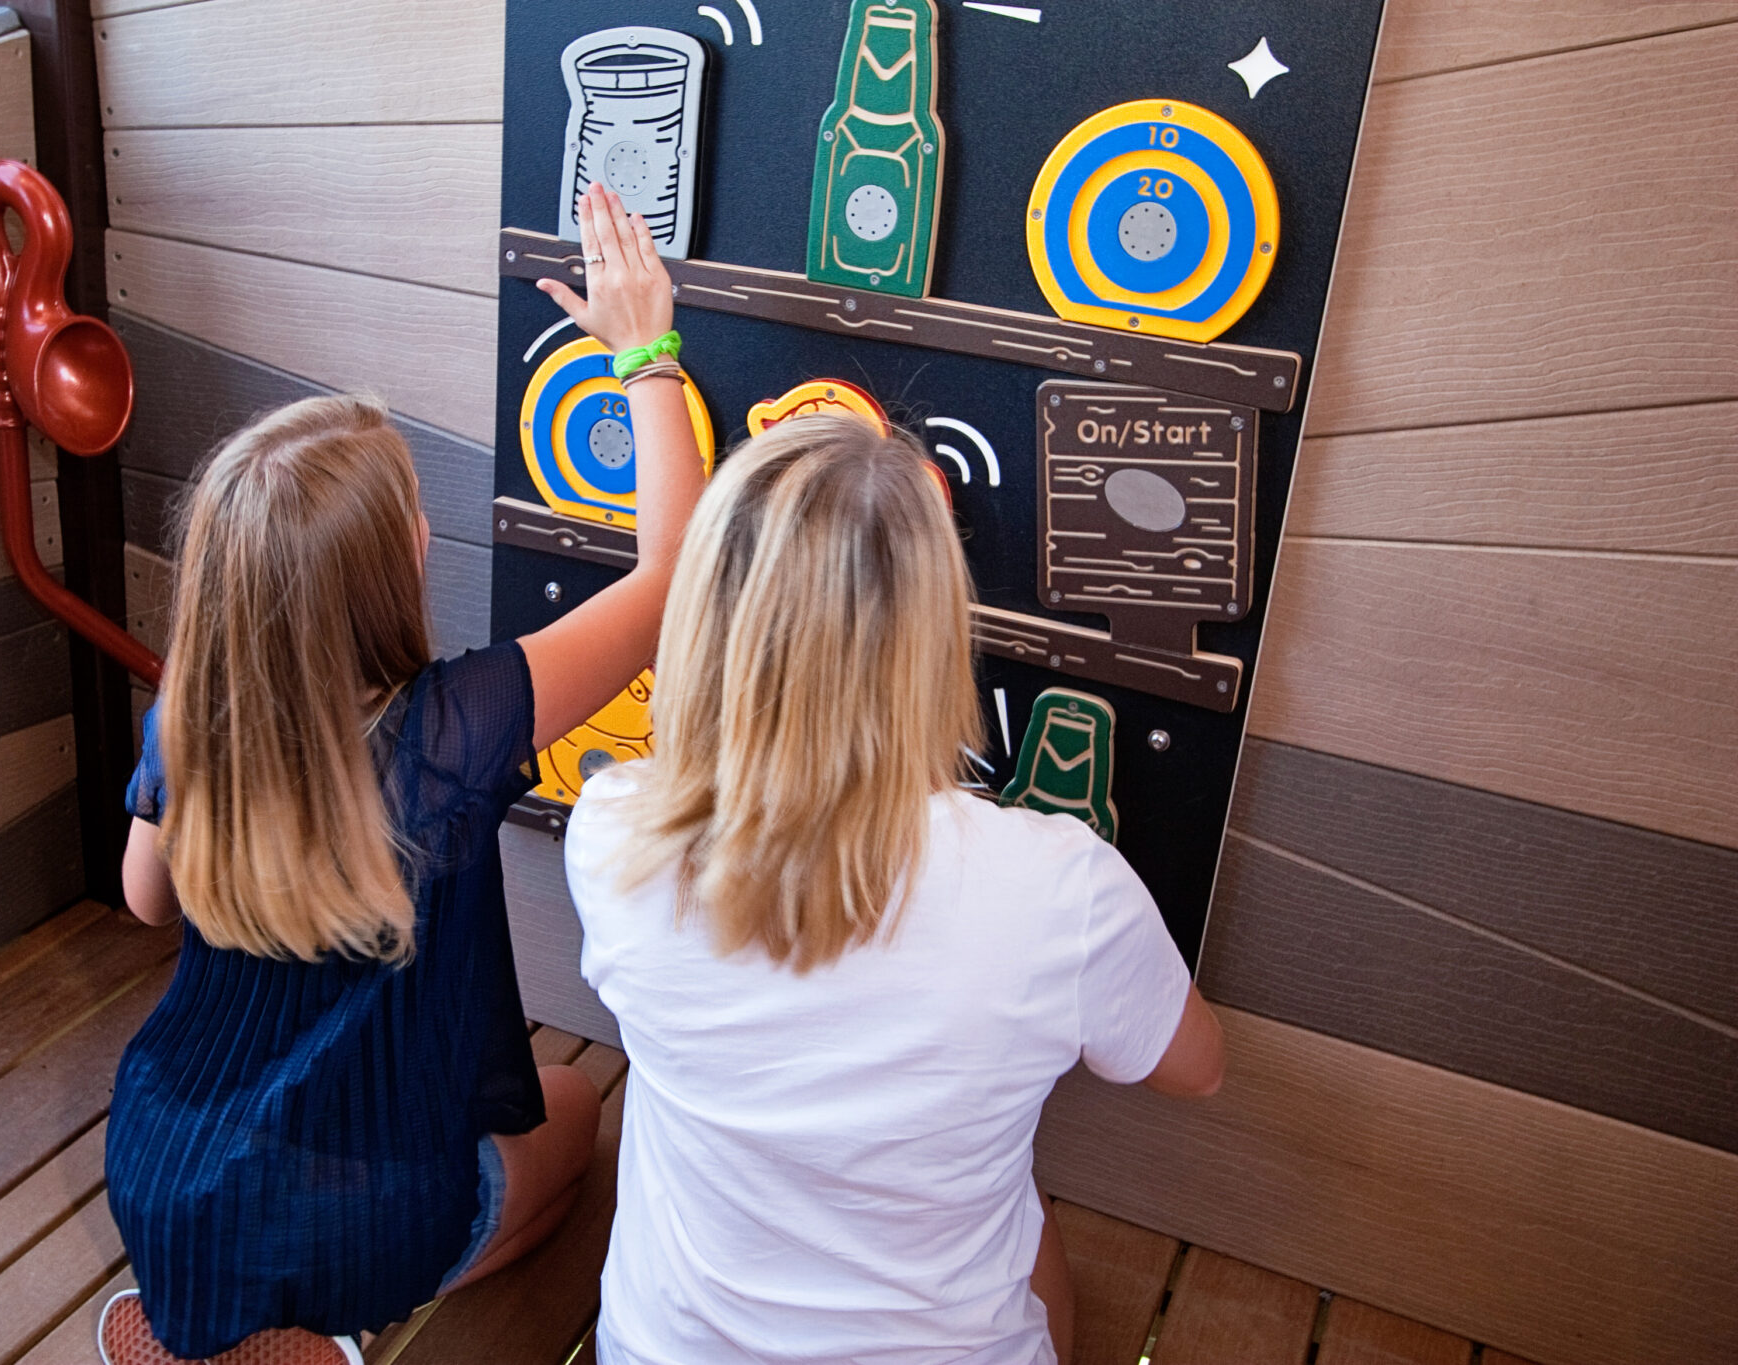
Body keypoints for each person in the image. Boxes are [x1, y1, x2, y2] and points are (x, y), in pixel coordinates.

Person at [96, 185, 702, 1365]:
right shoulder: (453, 729)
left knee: (415, 1141)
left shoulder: (188, 713)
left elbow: (144, 900)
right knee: (574, 1110)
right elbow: (675, 572)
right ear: (401, 563)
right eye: (415, 512)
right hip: (367, 1207)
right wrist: (647, 350)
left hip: (161, 1164)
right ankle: (328, 1321)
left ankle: (222, 1318)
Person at [564, 417, 1227, 1365]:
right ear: (934, 632)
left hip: (661, 1347)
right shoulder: (1060, 887)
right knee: (1023, 1211)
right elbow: (1195, 1067)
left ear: (710, 619)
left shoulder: (614, 833)